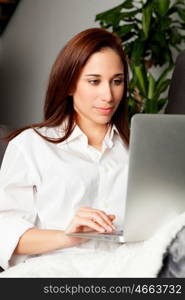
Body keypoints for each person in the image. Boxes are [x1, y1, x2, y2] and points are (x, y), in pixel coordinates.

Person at [0, 28, 130, 272]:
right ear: (69, 85)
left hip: (126, 274)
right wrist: (68, 235)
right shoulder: (31, 145)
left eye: (117, 81)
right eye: (94, 81)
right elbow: (4, 231)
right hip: (52, 274)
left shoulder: (136, 150)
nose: (108, 95)